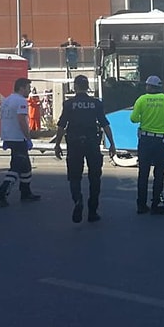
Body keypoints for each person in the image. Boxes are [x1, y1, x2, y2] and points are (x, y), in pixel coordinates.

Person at [53, 74, 116, 223]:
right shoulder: (96, 103)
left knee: (74, 176)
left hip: (74, 143)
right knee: (95, 178)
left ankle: (77, 200)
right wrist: (112, 143)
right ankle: (92, 211)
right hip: (92, 143)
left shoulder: (68, 104)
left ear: (75, 87)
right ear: (87, 87)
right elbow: (104, 123)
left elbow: (62, 125)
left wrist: (57, 145)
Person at [130, 75, 164, 215]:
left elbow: (133, 119)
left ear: (150, 87)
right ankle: (157, 204)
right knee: (159, 174)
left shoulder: (141, 100)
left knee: (143, 173)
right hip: (161, 142)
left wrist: (143, 119)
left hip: (145, 140)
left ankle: (141, 205)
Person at [0, 77, 41, 207]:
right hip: (18, 138)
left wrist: (5, 136)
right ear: (21, 88)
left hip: (9, 136)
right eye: (28, 88)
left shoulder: (7, 100)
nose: (29, 90)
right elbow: (21, 120)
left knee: (25, 167)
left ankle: (26, 192)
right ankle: (2, 193)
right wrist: (28, 138)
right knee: (16, 167)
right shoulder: (21, 101)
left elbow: (3, 118)